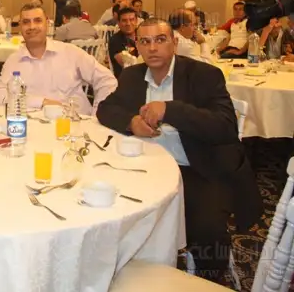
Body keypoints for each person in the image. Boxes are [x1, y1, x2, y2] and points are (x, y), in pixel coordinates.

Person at [96, 18, 261, 283]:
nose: (152, 48)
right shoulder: (132, 76)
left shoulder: (203, 75)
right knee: (102, 207)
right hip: (142, 167)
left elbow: (225, 126)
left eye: (160, 40)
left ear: (174, 43)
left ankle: (210, 280)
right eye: (145, 41)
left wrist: (170, 110)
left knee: (208, 229)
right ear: (137, 46)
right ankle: (120, 274)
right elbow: (106, 109)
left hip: (195, 167)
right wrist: (131, 122)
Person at [0, 3, 116, 114]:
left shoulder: (70, 52)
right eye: (26, 22)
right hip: (34, 127)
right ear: (20, 26)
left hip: (74, 124)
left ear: (47, 23)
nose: (32, 26)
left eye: (37, 21)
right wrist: (41, 102)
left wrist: (99, 113)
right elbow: (0, 95)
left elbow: (107, 79)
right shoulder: (13, 61)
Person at [108, 7, 139, 78]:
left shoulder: (142, 35)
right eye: (124, 20)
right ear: (118, 23)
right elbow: (126, 65)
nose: (128, 23)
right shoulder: (115, 40)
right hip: (126, 78)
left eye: (132, 19)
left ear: (136, 21)